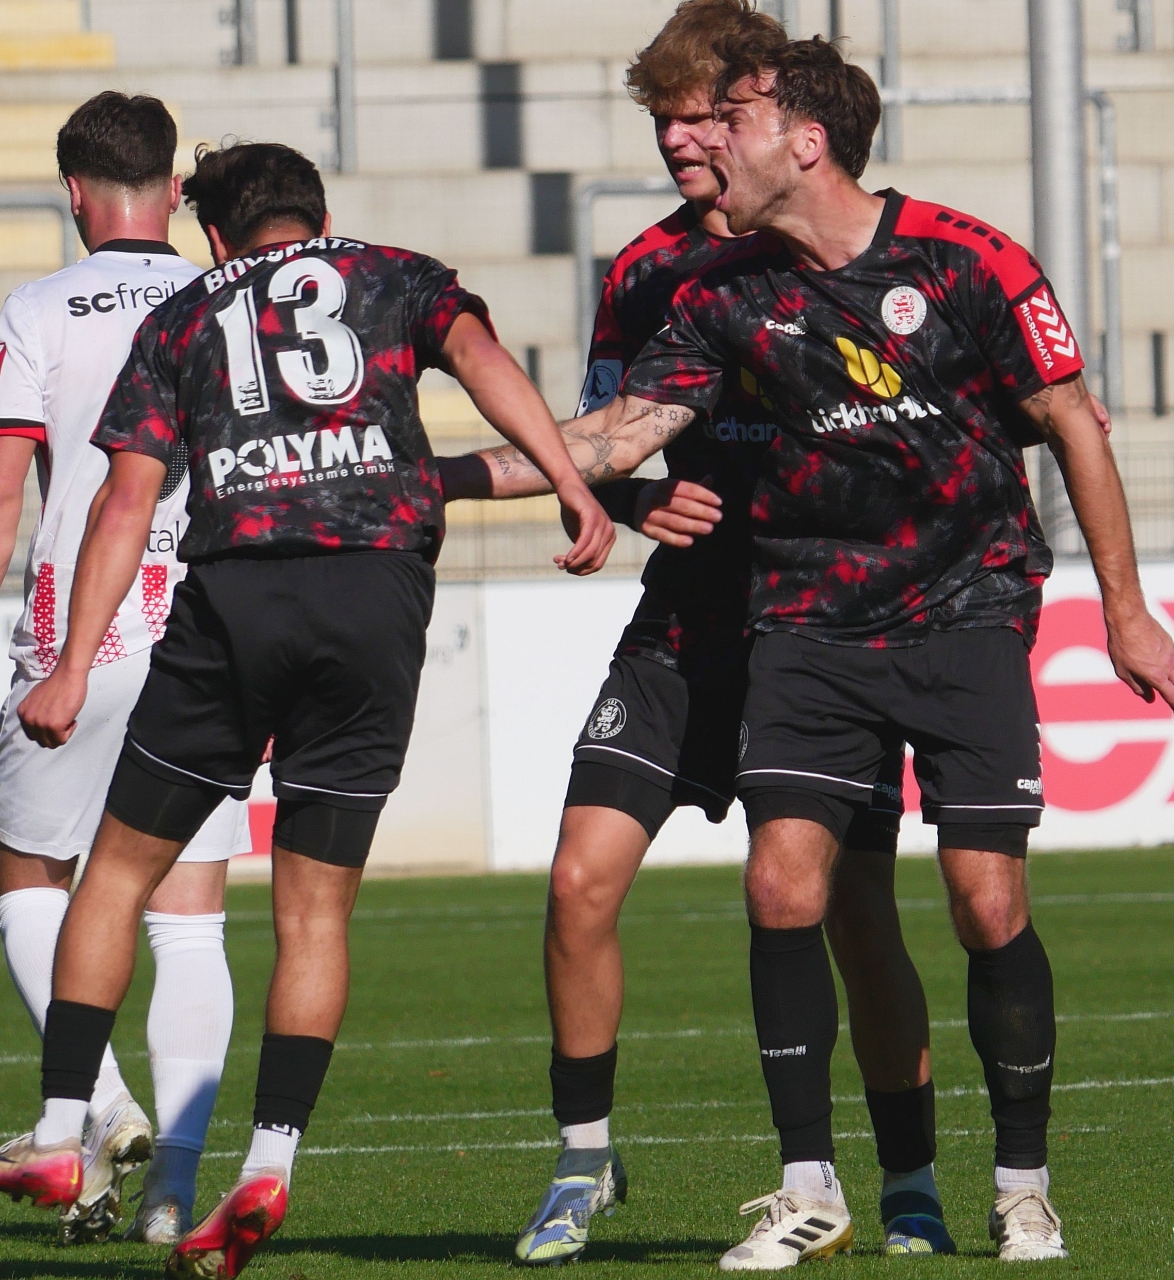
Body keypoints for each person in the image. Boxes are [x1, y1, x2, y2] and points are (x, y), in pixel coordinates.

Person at [536, 34, 1174, 1268]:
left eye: (729, 119)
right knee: (781, 888)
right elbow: (615, 433)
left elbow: (1072, 420)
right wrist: (421, 476)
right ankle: (810, 1186)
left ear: (805, 141)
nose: (703, 142)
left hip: (967, 607)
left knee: (985, 901)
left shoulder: (967, 256)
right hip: (808, 621)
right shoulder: (719, 291)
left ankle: (1021, 1185)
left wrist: (1127, 610)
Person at [0, 140, 614, 1279]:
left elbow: (126, 503)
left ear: (214, 233)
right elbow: (482, 360)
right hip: (376, 596)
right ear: (318, 210)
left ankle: (65, 1129)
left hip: (238, 600)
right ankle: (268, 1161)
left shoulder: (183, 315)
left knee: (115, 874)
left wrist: (68, 666)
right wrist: (568, 480)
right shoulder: (398, 276)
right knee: (315, 912)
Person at [441, 1, 949, 1263]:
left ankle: (910, 1179)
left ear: (759, 114)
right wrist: (627, 500)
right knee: (578, 879)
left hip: (823, 633)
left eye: (695, 115)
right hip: (685, 630)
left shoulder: (846, 253)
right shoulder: (645, 272)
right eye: (660, 119)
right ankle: (582, 1159)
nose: (676, 138)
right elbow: (599, 435)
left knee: (856, 914)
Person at [0, 92, 248, 1247]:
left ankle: (102, 1104)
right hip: (208, 629)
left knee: (32, 872)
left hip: (81, 630)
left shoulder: (38, 308)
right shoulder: (225, 296)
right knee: (189, 915)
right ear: (172, 188)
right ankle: (173, 1188)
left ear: (73, 191)